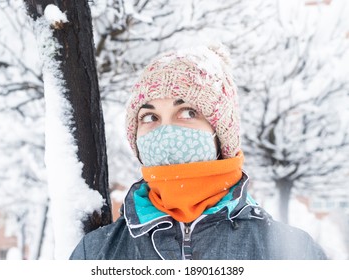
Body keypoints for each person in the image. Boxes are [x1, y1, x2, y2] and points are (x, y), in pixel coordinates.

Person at [69, 44, 327, 260]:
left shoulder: (293, 254)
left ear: (220, 133)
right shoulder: (95, 252)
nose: (166, 130)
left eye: (188, 112)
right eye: (150, 116)